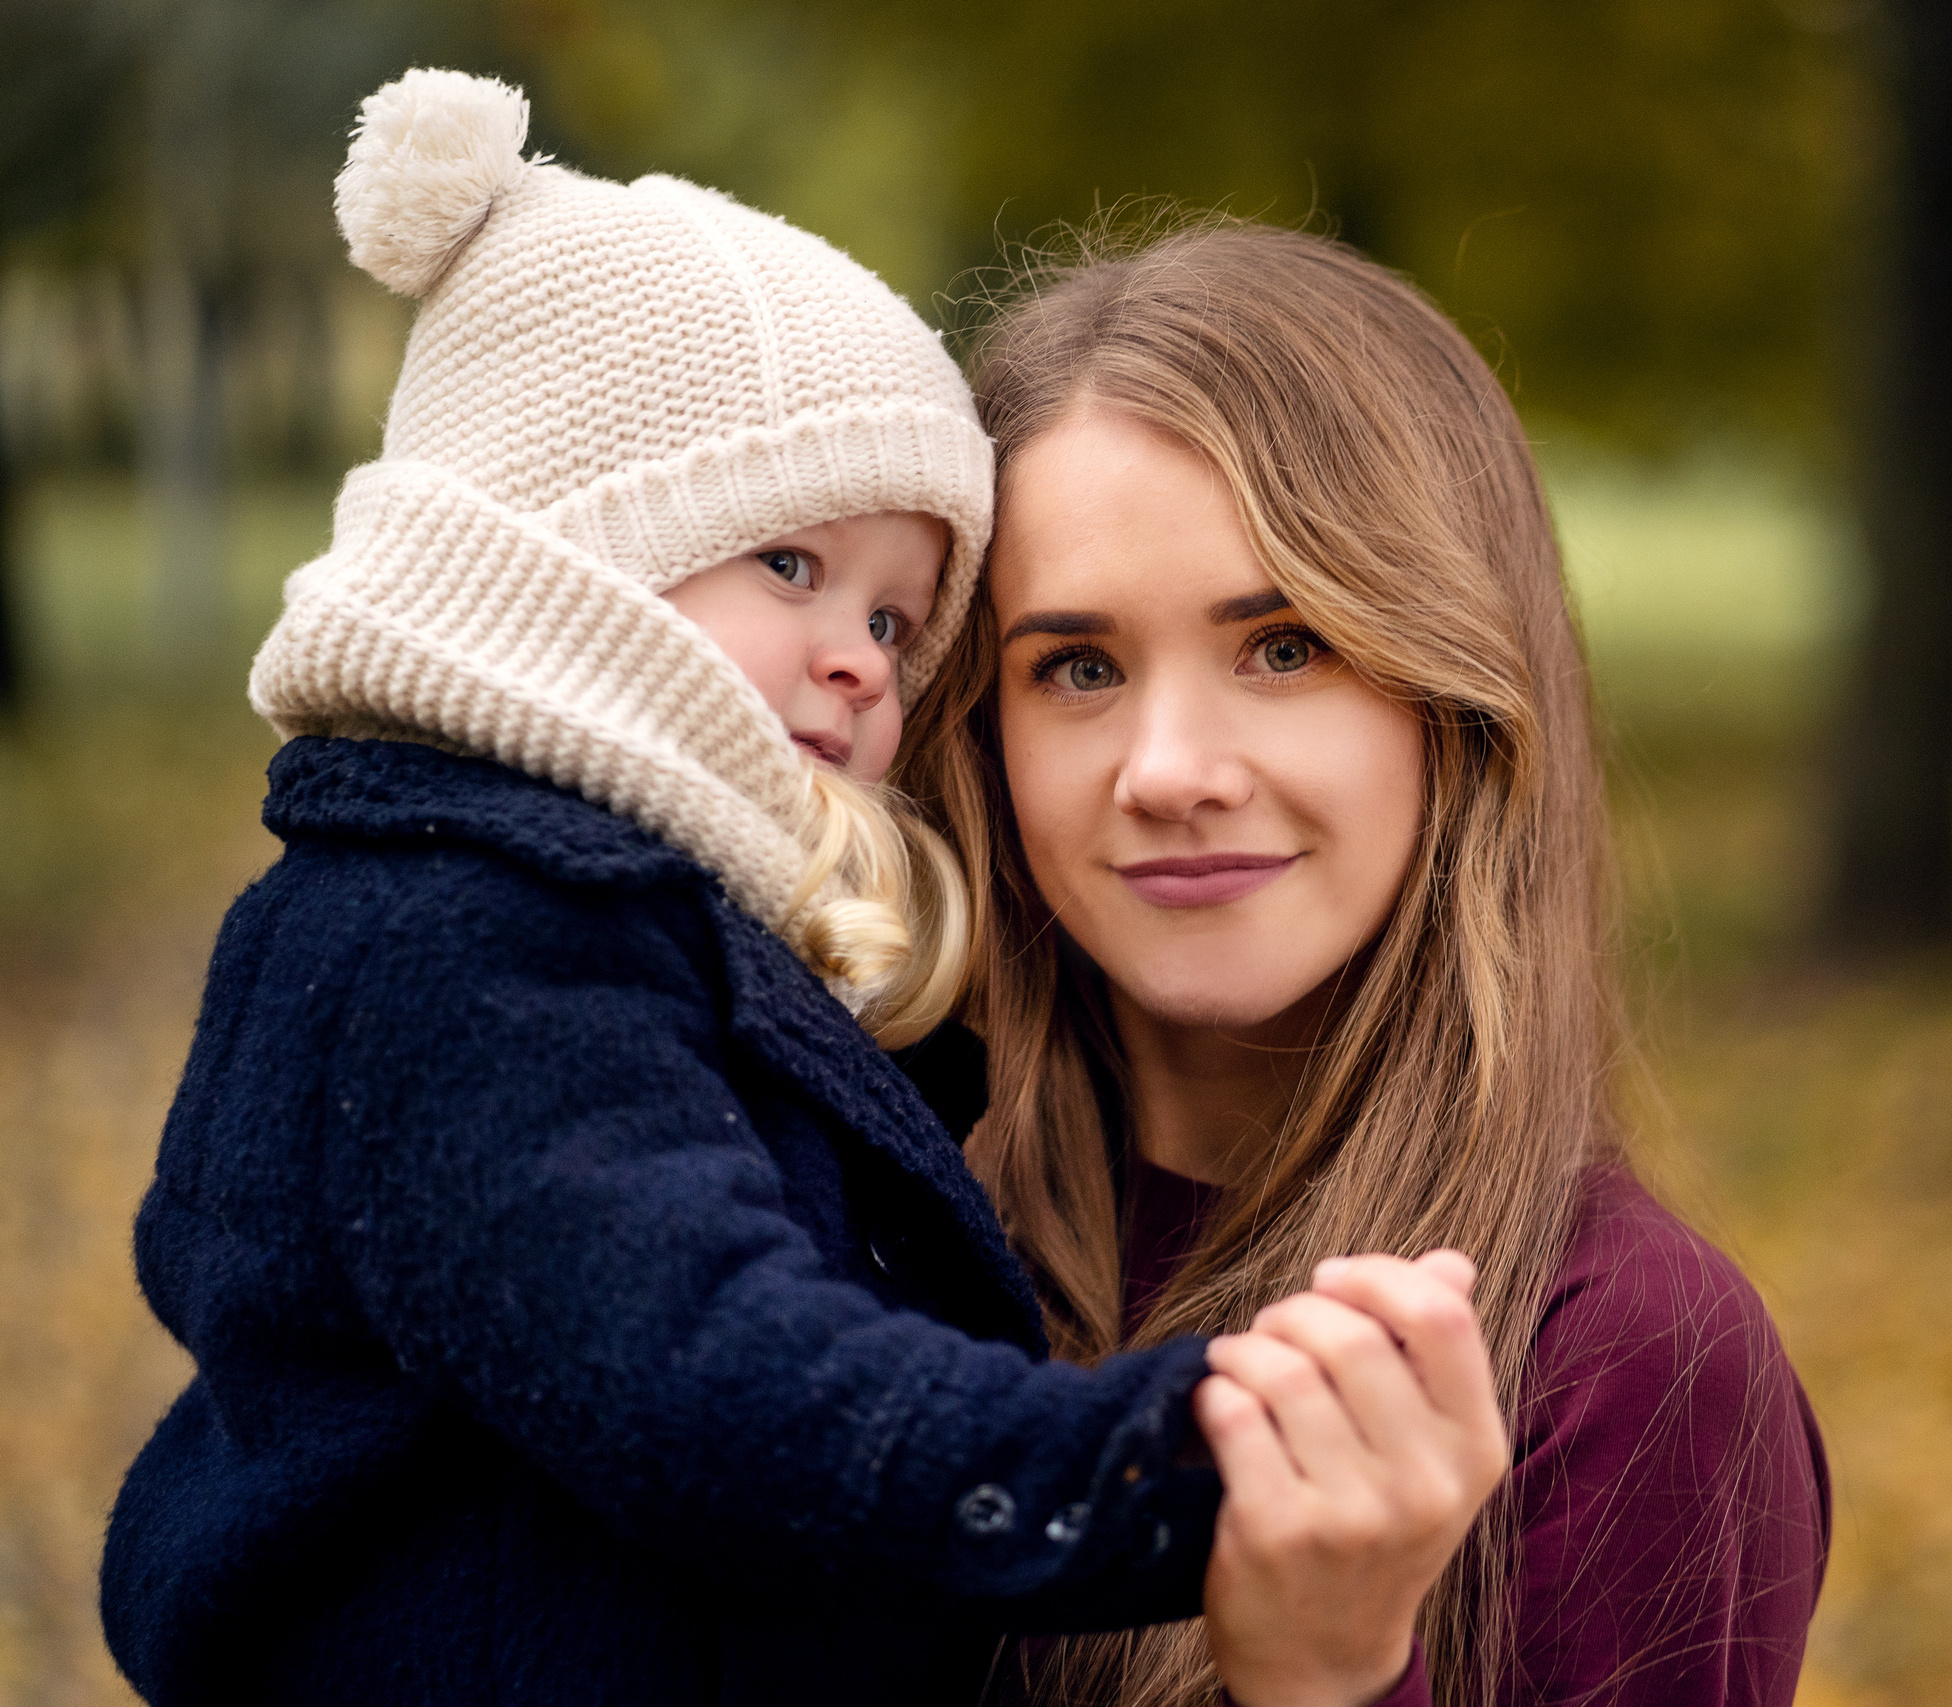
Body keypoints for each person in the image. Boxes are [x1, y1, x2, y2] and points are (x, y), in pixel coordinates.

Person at [100, 76, 1493, 1707]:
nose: (862, 660)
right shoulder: (461, 942)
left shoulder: (585, 909)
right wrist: (1158, 1470)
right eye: (791, 565)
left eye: (900, 620)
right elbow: (715, 1373)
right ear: (561, 559)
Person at [902, 217, 1835, 1707]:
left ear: (1459, 700)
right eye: (1078, 667)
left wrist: (1329, 1677)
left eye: (1284, 647)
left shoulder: (1623, 1358)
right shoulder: (877, 1244)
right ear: (979, 729)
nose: (1171, 770)